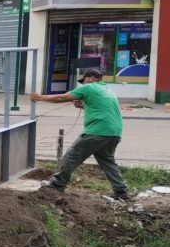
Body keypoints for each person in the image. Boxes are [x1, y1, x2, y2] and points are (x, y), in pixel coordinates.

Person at [30, 68, 129, 200]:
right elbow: (102, 107)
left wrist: (39, 97)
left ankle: (58, 184)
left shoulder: (89, 87)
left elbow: (62, 97)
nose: (83, 84)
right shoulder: (107, 90)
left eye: (85, 80)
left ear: (92, 78)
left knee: (71, 157)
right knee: (107, 161)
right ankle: (121, 191)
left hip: (97, 131)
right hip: (114, 132)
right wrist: (83, 105)